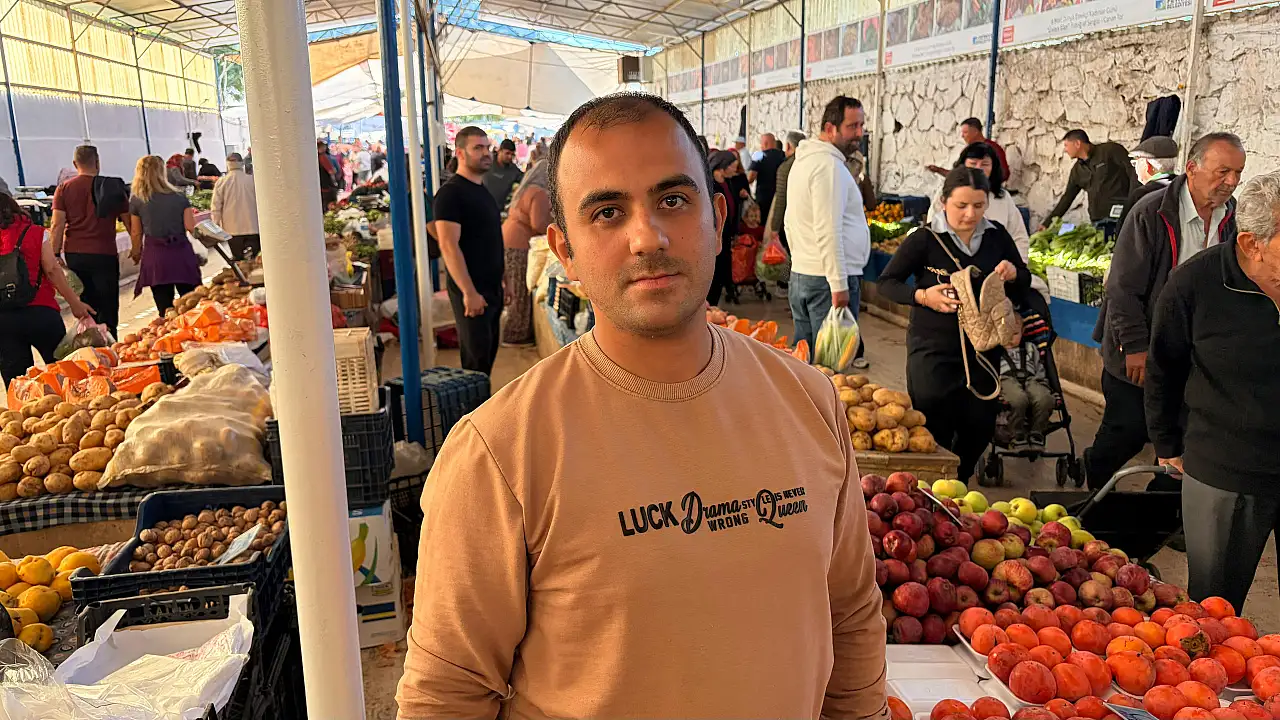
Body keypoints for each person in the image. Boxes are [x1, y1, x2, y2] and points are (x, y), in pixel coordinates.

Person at [396, 91, 887, 720]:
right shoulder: (499, 451)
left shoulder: (809, 401)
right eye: (607, 213)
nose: (647, 237)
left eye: (673, 201)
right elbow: (448, 693)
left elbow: (850, 614)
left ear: (716, 218)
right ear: (564, 251)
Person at [1145, 170, 1280, 613]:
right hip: (1226, 468)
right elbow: (1164, 367)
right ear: (1252, 244)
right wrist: (1166, 443)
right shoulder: (1196, 283)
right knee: (1214, 607)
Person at [1084, 132, 1244, 490]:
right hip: (1139, 347)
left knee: (1181, 443)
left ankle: (1160, 509)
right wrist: (1135, 346)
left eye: (1238, 173)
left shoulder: (1233, 219)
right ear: (1192, 168)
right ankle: (1095, 487)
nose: (1231, 181)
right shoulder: (1151, 213)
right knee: (1127, 431)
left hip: (1192, 354)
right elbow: (1122, 288)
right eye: (1223, 172)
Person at [877, 167, 1032, 484]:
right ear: (943, 201)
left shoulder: (997, 237)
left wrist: (1015, 274)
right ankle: (934, 491)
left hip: (982, 352)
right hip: (933, 349)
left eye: (978, 205)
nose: (970, 214)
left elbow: (1024, 282)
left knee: (980, 425)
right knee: (934, 424)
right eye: (961, 205)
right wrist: (923, 296)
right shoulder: (925, 239)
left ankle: (958, 483)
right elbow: (887, 283)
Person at [785, 96, 871, 367]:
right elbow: (828, 228)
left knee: (805, 363)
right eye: (852, 126)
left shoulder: (805, 161)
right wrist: (839, 284)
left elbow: (790, 220)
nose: (859, 133)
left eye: (861, 125)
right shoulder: (828, 166)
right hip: (825, 281)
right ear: (830, 128)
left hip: (805, 273)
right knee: (830, 371)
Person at [0, 192, 93, 385]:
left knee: (18, 383)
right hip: (41, 312)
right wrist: (75, 303)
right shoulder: (34, 232)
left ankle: (24, 405)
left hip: (4, 320)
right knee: (65, 372)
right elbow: (52, 269)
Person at [434, 126, 504, 375]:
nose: (486, 153)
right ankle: (475, 402)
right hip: (472, 290)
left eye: (487, 147)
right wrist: (469, 292)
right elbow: (448, 245)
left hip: (491, 289)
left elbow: (491, 239)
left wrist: (503, 280)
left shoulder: (483, 191)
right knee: (476, 364)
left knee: (486, 358)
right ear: (460, 153)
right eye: (478, 148)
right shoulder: (451, 194)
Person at [50, 145, 128, 338]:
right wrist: (137, 246)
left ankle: (92, 345)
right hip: (104, 253)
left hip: (76, 255)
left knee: (86, 304)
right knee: (108, 306)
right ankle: (111, 343)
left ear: (75, 163)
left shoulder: (64, 189)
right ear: (97, 161)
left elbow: (57, 224)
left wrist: (54, 254)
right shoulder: (111, 187)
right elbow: (128, 220)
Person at [128, 155, 201, 315]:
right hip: (181, 254)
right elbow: (191, 227)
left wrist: (136, 252)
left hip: (156, 257)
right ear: (162, 172)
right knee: (192, 305)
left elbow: (136, 232)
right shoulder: (179, 197)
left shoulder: (137, 200)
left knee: (165, 309)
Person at [500, 159, 551, 347]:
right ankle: (516, 335)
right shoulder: (539, 193)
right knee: (520, 290)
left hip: (509, 240)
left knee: (515, 287)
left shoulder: (525, 190)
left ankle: (515, 331)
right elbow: (538, 223)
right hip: (519, 244)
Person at [1044, 129, 1139, 226]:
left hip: (1122, 215)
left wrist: (1133, 200)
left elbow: (1134, 172)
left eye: (1066, 145)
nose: (1065, 150)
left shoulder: (1110, 150)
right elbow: (1067, 198)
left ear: (1077, 143)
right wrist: (1047, 223)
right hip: (1097, 220)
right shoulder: (1077, 171)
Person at [999, 339, 1054, 451]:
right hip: (1006, 379)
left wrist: (1042, 381)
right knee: (1018, 399)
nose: (1010, 338)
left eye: (1015, 334)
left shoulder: (1031, 348)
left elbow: (1039, 367)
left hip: (1031, 378)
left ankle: (1037, 432)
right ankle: (1016, 434)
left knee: (1045, 399)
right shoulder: (996, 350)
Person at [1119, 136, 1178, 230]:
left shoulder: (1140, 195)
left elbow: (1124, 233)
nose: (1135, 168)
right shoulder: (1184, 186)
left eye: (1135, 163)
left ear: (1148, 165)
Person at [211, 153, 259, 261]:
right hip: (253, 227)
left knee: (239, 261)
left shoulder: (221, 182)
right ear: (242, 163)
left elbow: (216, 207)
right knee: (254, 261)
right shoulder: (252, 180)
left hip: (232, 229)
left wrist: (216, 225)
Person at [927, 118, 1010, 181]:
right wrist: (938, 170)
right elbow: (958, 174)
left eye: (965, 132)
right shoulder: (967, 151)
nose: (962, 136)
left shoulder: (993, 148)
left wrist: (984, 183)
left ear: (975, 132)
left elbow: (1004, 174)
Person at [706, 150, 739, 306]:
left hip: (726, 235)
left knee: (723, 270)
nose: (735, 169)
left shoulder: (728, 183)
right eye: (732, 166)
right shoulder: (711, 186)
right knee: (715, 272)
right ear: (722, 166)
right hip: (714, 236)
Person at [765, 130, 805, 252]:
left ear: (788, 146)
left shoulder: (786, 168)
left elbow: (781, 199)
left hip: (791, 223)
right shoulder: (811, 163)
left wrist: (774, 228)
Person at [749, 132, 787, 218]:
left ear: (765, 143)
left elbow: (751, 178)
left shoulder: (758, 155)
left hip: (763, 197)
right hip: (780, 196)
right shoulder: (784, 155)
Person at [482, 138, 524, 210]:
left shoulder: (514, 170)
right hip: (479, 207)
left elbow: (527, 180)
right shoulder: (487, 162)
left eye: (512, 154)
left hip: (498, 211)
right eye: (507, 153)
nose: (510, 157)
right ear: (499, 151)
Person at [318, 139, 338, 209]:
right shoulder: (322, 157)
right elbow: (331, 171)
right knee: (330, 206)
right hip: (327, 185)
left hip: (320, 186)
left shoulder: (313, 157)